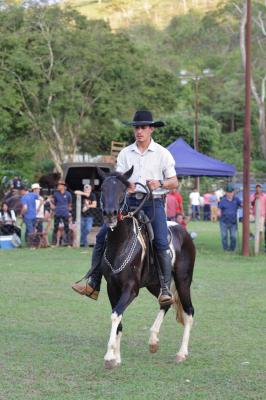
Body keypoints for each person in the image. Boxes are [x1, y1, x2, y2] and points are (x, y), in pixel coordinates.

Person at [72, 110, 178, 305]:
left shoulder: (163, 153)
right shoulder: (125, 153)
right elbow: (118, 178)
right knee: (102, 236)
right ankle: (93, 282)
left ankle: (164, 289)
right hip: (129, 203)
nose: (139, 131)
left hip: (152, 203)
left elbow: (174, 182)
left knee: (161, 242)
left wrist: (160, 184)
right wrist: (124, 185)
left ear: (151, 129)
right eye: (136, 127)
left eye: (143, 127)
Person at [218, 183, 241, 252]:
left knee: (233, 236)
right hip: (223, 222)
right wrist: (218, 213)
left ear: (233, 192)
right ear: (226, 192)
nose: (230, 194)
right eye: (228, 192)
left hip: (233, 222)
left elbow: (242, 205)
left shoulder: (236, 199)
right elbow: (219, 209)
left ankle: (232, 249)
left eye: (231, 192)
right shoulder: (223, 200)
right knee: (224, 236)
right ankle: (226, 249)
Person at [51, 180, 72, 246]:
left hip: (65, 213)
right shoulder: (55, 194)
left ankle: (68, 243)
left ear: (63, 186)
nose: (58, 186)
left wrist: (67, 211)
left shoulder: (68, 194)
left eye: (59, 185)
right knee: (55, 227)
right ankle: (54, 243)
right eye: (58, 185)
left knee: (66, 227)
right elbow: (54, 203)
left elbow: (69, 204)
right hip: (57, 213)